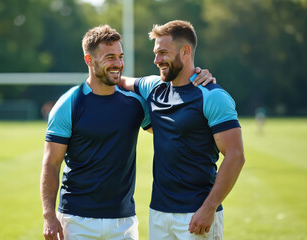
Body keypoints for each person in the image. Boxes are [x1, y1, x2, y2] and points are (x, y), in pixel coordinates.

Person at [40, 24, 214, 240]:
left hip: (124, 223)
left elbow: (171, 131)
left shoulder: (135, 103)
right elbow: (51, 162)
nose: (118, 64)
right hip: (76, 220)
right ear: (89, 60)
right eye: (110, 57)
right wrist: (49, 215)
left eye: (120, 57)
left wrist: (196, 75)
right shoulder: (69, 104)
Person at [120, 20, 245, 240]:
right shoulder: (154, 87)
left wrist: (209, 209)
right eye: (156, 53)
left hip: (196, 214)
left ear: (185, 51)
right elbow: (121, 81)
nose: (156, 60)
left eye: (163, 53)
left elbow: (235, 156)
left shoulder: (213, 96)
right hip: (158, 212)